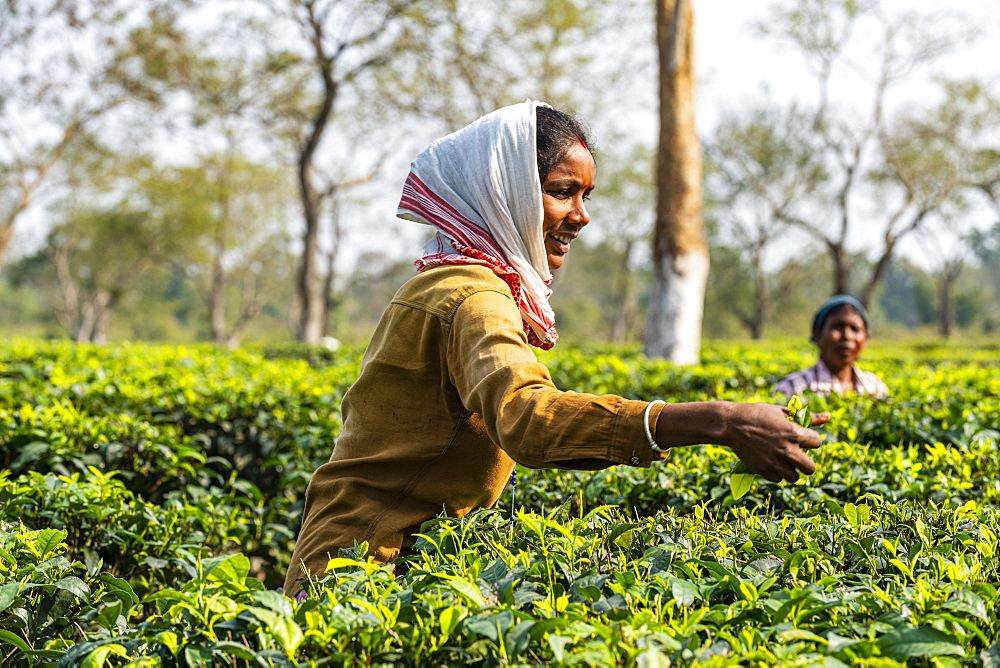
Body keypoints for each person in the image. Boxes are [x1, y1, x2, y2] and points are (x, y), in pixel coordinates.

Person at [283, 101, 829, 598]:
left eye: (585, 196)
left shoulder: (453, 281)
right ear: (507, 190)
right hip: (357, 570)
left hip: (378, 556)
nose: (581, 215)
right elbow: (529, 418)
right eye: (561, 191)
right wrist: (720, 421)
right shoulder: (473, 297)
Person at [775, 295, 889, 398]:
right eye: (837, 327)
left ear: (865, 339)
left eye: (855, 328)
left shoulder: (876, 388)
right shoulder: (792, 388)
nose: (847, 336)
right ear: (817, 334)